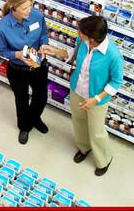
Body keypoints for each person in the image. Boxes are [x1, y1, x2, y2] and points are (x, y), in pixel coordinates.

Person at [40, 15, 123, 176]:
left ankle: (104, 159)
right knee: (78, 121)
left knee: (96, 130)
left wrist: (96, 99)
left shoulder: (113, 55)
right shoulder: (83, 42)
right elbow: (74, 54)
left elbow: (116, 82)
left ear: (92, 38)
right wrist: (54, 50)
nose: (78, 32)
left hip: (97, 99)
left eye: (81, 31)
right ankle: (84, 148)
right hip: (77, 90)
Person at [0, 0, 50, 145]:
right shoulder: (2, 27)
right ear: (13, 8)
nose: (29, 11)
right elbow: (3, 50)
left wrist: (43, 47)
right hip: (18, 70)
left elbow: (43, 35)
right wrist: (17, 55)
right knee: (22, 100)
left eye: (30, 6)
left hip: (38, 66)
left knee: (41, 97)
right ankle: (24, 126)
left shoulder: (37, 16)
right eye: (24, 8)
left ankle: (34, 118)